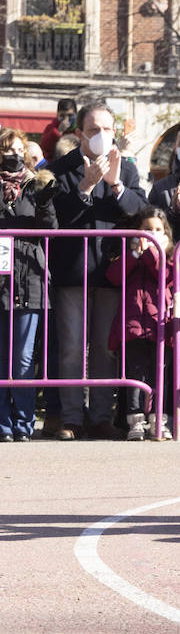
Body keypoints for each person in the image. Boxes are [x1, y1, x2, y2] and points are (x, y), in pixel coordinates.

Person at [50, 100, 149, 440]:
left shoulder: (127, 168)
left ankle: (102, 416)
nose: (102, 136)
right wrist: (85, 189)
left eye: (107, 129)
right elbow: (55, 218)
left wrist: (117, 184)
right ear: (79, 134)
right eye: (94, 130)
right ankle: (72, 417)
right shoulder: (60, 170)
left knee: (106, 348)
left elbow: (141, 213)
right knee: (72, 347)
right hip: (72, 273)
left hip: (112, 274)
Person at [0, 129, 56, 442]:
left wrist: (46, 200)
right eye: (7, 150)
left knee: (22, 357)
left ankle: (22, 424)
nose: (13, 155)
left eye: (19, 150)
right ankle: (2, 424)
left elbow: (50, 228)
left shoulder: (36, 184)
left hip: (28, 278)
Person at [105, 206, 175, 441]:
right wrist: (135, 254)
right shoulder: (130, 254)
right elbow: (114, 277)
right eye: (146, 229)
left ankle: (159, 420)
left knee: (160, 375)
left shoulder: (171, 256)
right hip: (133, 325)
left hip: (160, 326)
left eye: (157, 230)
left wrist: (153, 252)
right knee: (135, 376)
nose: (151, 234)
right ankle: (135, 421)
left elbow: (165, 276)